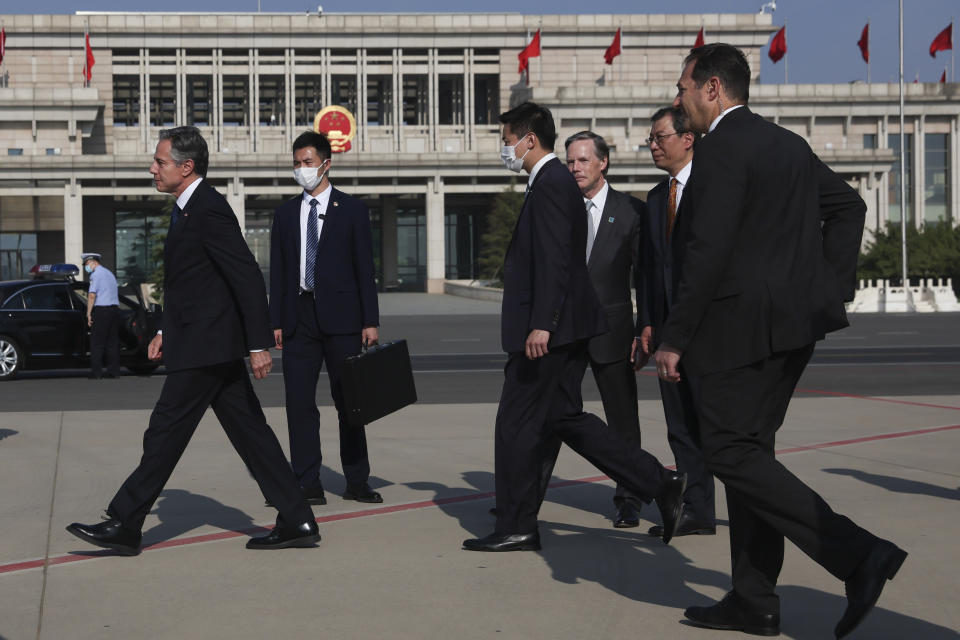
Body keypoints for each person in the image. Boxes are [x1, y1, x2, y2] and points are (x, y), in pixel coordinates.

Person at [654, 44, 906, 638]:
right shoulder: (786, 144)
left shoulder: (719, 150)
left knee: (728, 455)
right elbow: (849, 205)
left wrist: (675, 336)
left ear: (713, 88)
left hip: (735, 333)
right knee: (751, 457)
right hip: (792, 329)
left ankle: (858, 554)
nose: (679, 97)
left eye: (684, 87)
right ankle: (755, 598)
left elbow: (706, 252)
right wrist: (827, 288)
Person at [66, 126, 319, 555]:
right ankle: (296, 517)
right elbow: (188, 284)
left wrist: (259, 344)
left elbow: (246, 277)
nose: (153, 169)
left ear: (186, 167)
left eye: (160, 162)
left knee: (165, 431)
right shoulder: (186, 209)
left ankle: (126, 522)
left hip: (208, 346)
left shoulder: (209, 209)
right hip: (205, 344)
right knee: (251, 433)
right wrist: (164, 329)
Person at [462, 102, 685, 553]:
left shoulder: (549, 183)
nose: (505, 149)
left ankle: (517, 525)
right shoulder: (552, 182)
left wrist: (542, 323)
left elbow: (556, 262)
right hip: (565, 329)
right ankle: (660, 482)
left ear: (528, 139)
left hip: (549, 334)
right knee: (566, 419)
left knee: (514, 425)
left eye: (507, 141)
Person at [269, 131, 382, 506]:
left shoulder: (352, 210)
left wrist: (370, 320)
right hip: (299, 317)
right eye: (297, 163)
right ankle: (307, 482)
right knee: (299, 404)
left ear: (325, 164)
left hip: (344, 319)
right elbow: (280, 272)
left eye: (308, 162)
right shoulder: (285, 214)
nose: (302, 169)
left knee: (350, 402)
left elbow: (365, 268)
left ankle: (357, 480)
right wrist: (276, 320)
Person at [550, 130, 646, 528]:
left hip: (613, 334)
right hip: (563, 333)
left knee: (622, 421)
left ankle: (630, 497)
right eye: (570, 161)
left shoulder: (629, 212)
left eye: (583, 160)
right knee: (549, 416)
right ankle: (525, 498)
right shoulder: (555, 208)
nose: (575, 168)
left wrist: (645, 330)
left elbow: (646, 278)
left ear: (603, 163)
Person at [636, 107, 716, 538]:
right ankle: (697, 511)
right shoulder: (654, 199)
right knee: (679, 425)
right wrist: (646, 322)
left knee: (716, 426)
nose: (653, 145)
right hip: (667, 332)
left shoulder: (712, 189)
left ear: (688, 139)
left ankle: (747, 507)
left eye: (659, 137)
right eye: (650, 138)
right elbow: (649, 270)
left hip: (709, 328)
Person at [82, 252, 121, 379]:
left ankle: (96, 373)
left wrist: (88, 314)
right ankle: (113, 372)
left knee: (97, 343)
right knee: (112, 342)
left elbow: (92, 295)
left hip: (102, 310)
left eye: (87, 264)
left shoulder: (96, 275)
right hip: (114, 310)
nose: (86, 267)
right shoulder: (109, 273)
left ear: (93, 262)